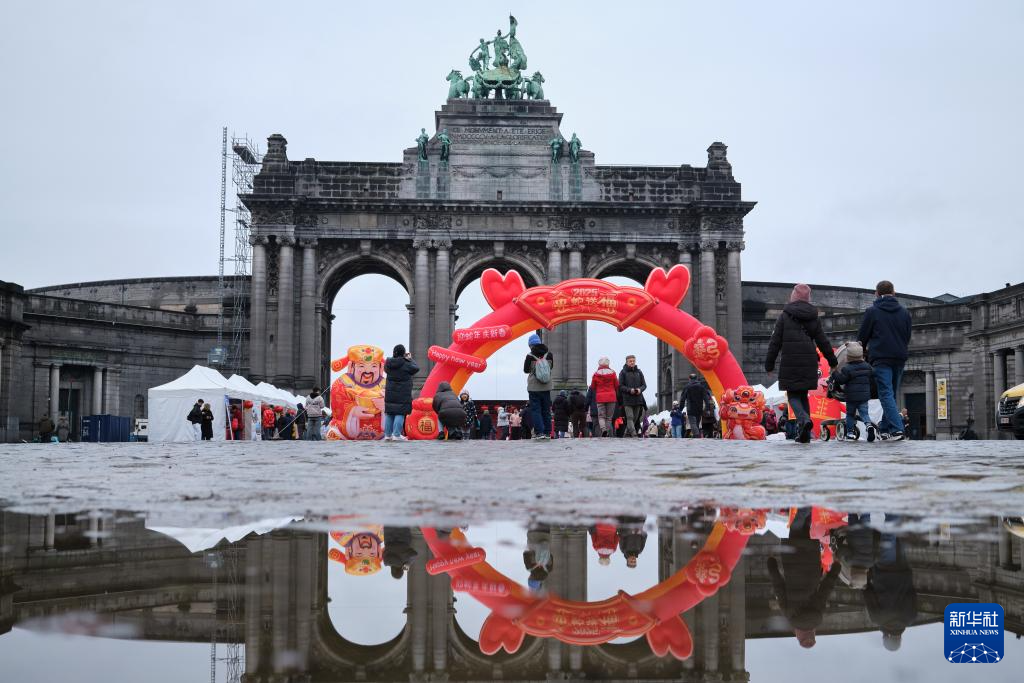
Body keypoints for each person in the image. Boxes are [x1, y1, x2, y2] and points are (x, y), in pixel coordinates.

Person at [764, 284, 838, 443]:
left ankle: (804, 420)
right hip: (809, 360)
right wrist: (832, 361)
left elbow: (775, 342)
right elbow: (822, 341)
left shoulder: (784, 316)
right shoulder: (814, 316)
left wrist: (769, 365)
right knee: (803, 395)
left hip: (790, 360)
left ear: (793, 296)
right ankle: (804, 433)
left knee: (792, 396)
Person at [766, 508, 841, 648]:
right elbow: (778, 587)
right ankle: (804, 504)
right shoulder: (791, 617)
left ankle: (810, 506)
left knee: (807, 528)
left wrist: (836, 568)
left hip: (811, 564)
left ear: (812, 634)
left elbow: (825, 589)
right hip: (792, 564)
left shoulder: (817, 617)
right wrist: (772, 564)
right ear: (799, 635)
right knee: (795, 528)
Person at [857, 280, 912, 441]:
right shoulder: (904, 312)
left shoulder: (872, 312)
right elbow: (907, 336)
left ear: (876, 293)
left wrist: (863, 352)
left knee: (886, 394)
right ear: (894, 292)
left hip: (881, 358)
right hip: (900, 357)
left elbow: (862, 338)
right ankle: (885, 429)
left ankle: (897, 429)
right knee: (891, 394)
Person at [832, 341, 876, 442]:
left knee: (850, 414)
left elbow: (841, 380)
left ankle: (850, 433)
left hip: (851, 397)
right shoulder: (867, 366)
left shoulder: (847, 369)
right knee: (864, 414)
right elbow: (873, 374)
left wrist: (834, 372)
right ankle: (869, 425)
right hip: (864, 395)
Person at [383, 344, 419, 441]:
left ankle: (387, 435)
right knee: (400, 413)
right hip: (403, 393)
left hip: (390, 393)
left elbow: (385, 369)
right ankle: (396, 435)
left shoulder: (388, 363)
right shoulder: (406, 363)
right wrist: (410, 359)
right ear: (403, 353)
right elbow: (416, 368)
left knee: (390, 413)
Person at [523, 333, 554, 440]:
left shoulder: (530, 356)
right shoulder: (549, 354)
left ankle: (539, 432)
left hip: (534, 388)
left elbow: (526, 370)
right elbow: (551, 367)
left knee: (536, 410)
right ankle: (547, 432)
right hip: (546, 386)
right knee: (546, 410)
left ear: (531, 345)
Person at [618, 355, 647, 438]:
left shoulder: (639, 372)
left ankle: (626, 434)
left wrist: (640, 389)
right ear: (627, 362)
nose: (632, 362)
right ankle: (634, 434)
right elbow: (620, 386)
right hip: (627, 399)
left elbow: (644, 385)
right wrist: (629, 390)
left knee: (635, 418)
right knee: (630, 417)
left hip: (638, 399)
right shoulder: (623, 372)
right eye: (630, 361)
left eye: (633, 361)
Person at [590, 357, 619, 437]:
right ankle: (608, 433)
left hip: (600, 397)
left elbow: (593, 386)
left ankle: (603, 430)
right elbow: (616, 385)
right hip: (611, 397)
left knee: (601, 416)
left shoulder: (596, 374)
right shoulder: (613, 373)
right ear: (608, 364)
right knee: (609, 417)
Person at [523, 524, 554, 592]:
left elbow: (551, 556)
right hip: (533, 535)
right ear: (531, 578)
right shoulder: (529, 566)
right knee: (534, 516)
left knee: (545, 518)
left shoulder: (549, 568)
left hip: (546, 535)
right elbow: (525, 553)